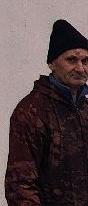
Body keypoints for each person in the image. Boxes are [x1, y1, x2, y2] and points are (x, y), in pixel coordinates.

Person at [7, 19, 88, 204]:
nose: (80, 68)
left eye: (85, 60)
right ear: (52, 63)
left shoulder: (85, 110)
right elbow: (20, 186)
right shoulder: (32, 111)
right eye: (71, 59)